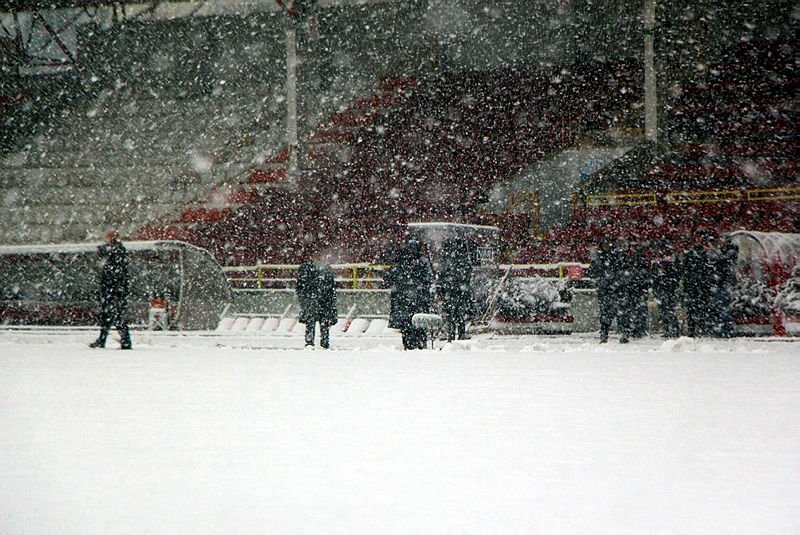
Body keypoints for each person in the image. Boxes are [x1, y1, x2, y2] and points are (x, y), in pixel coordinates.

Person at [385, 239, 433, 350]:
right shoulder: (422, 262)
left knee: (407, 327)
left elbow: (389, 278)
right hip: (417, 302)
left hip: (404, 302)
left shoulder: (400, 262)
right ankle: (418, 344)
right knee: (418, 326)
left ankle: (409, 344)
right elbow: (429, 278)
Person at [89, 230, 132, 349]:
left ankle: (122, 341)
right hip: (115, 289)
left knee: (112, 315)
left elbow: (112, 271)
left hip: (113, 289)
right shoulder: (118, 252)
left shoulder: (117, 252)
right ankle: (119, 340)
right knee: (112, 316)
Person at [588, 236, 630, 343]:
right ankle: (604, 335)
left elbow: (625, 272)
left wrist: (616, 282)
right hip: (606, 290)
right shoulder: (599, 259)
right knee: (605, 313)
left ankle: (624, 334)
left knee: (621, 313)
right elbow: (591, 272)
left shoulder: (617, 257)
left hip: (616, 289)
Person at [436, 236, 476, 342]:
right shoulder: (461, 259)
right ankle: (458, 334)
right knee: (457, 314)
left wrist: (442, 287)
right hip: (457, 290)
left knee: (452, 314)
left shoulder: (447, 259)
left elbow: (442, 274)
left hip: (451, 290)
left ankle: (452, 335)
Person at [296, 252, 338, 348]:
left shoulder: (309, 269)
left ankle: (319, 342)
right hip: (317, 300)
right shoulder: (320, 269)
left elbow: (331, 287)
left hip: (319, 300)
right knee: (316, 322)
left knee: (319, 322)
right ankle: (315, 342)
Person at [651, 239, 682, 338]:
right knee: (664, 310)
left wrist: (670, 283)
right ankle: (668, 329)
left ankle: (674, 329)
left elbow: (676, 275)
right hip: (662, 288)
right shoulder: (657, 262)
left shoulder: (671, 262)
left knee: (669, 309)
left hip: (668, 288)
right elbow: (654, 275)